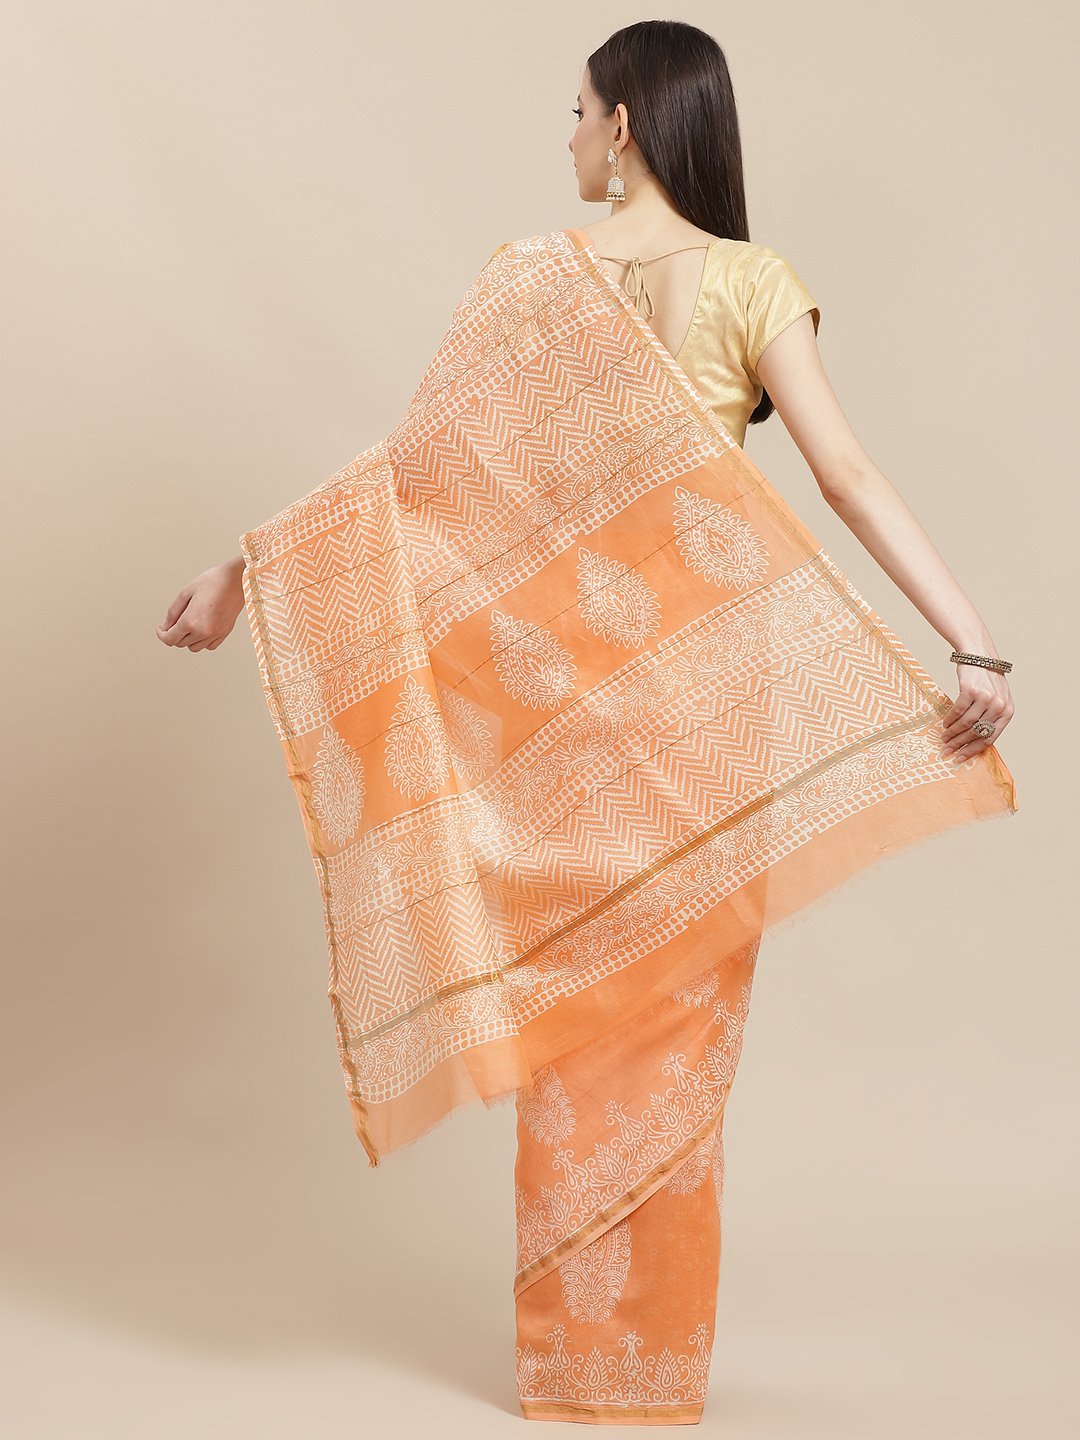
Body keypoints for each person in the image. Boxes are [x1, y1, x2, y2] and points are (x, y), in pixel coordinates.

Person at [156, 20, 1017, 1427]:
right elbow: (846, 474)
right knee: (675, 1040)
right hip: (707, 715)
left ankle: (574, 1371)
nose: (565, 137)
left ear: (623, 125)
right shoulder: (753, 281)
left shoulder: (526, 279)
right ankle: (645, 1373)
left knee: (580, 1027)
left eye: (574, 112)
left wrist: (246, 569)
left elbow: (407, 487)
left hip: (562, 731)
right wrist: (968, 640)